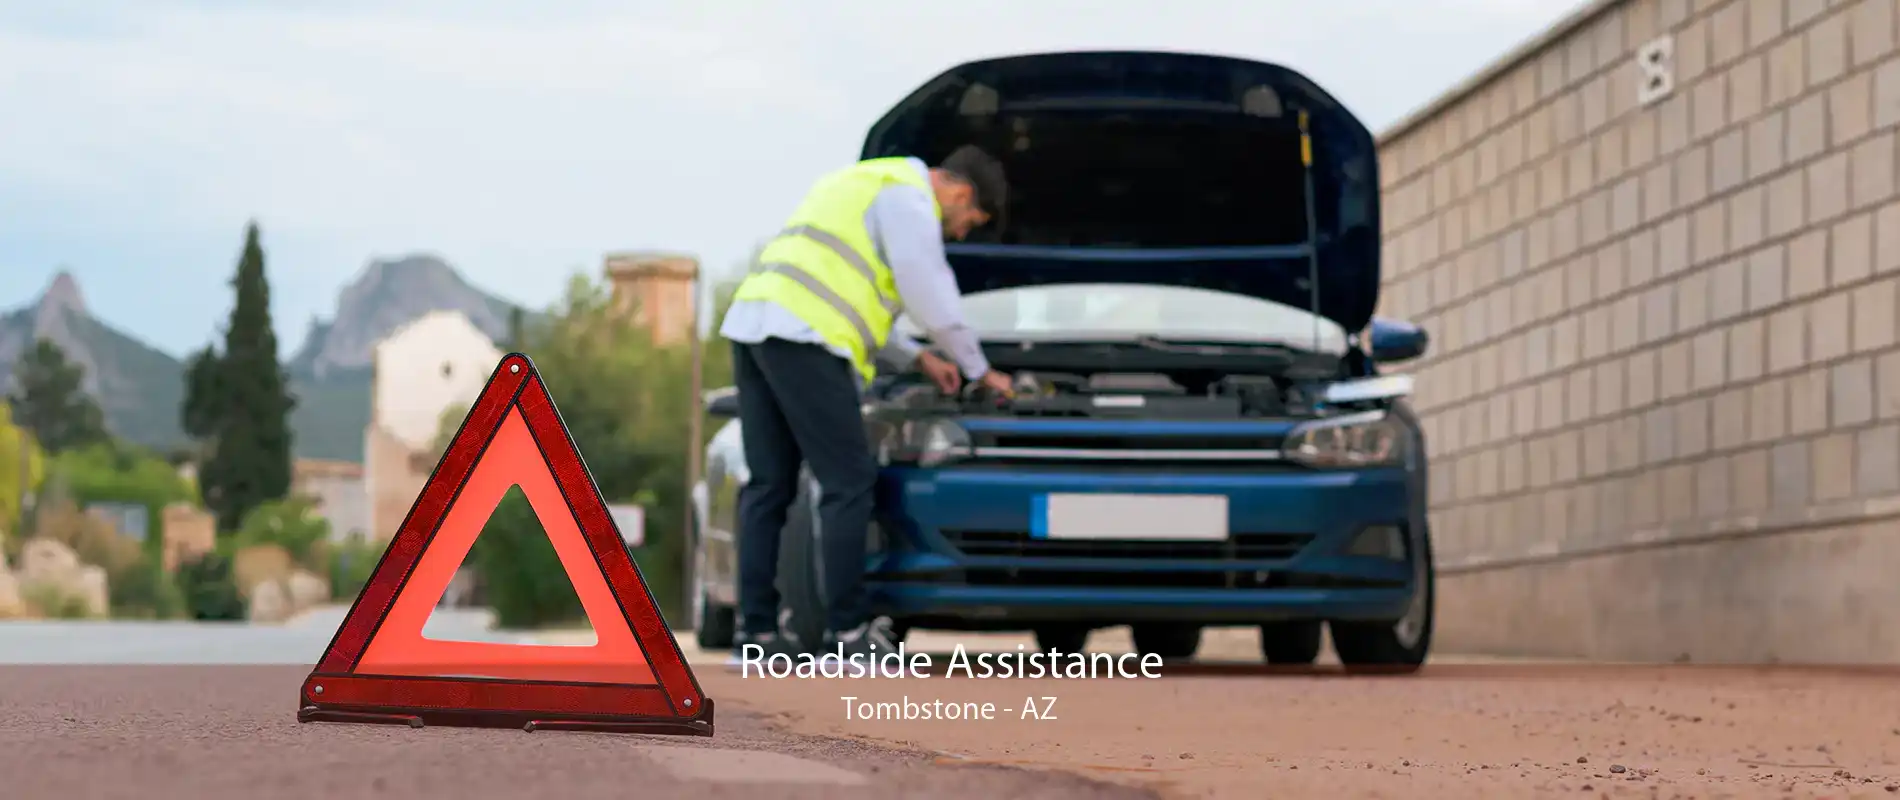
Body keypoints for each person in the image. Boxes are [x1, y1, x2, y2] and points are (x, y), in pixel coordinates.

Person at [718, 146, 1015, 660]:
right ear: (961, 193)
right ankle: (849, 634)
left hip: (756, 328)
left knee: (769, 485)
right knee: (849, 481)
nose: (962, 233)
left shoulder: (865, 181)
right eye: (971, 221)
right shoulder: (909, 198)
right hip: (806, 338)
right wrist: (978, 368)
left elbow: (848, 291)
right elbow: (928, 290)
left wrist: (919, 358)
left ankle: (757, 634)